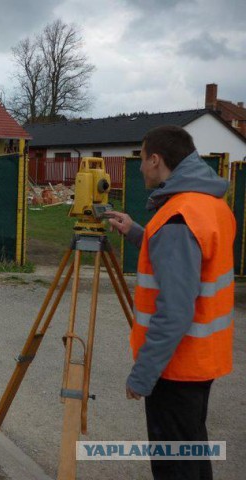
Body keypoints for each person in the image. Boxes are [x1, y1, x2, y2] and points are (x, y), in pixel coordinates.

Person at [107, 125, 235, 480]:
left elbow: (176, 311)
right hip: (200, 359)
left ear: (156, 160)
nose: (139, 168)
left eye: (141, 159)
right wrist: (136, 231)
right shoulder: (207, 205)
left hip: (176, 367)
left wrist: (143, 375)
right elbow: (188, 259)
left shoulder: (177, 218)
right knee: (191, 450)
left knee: (175, 465)